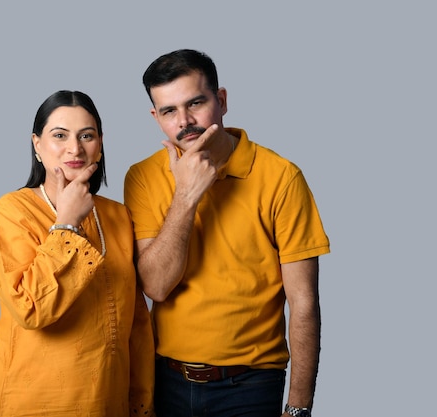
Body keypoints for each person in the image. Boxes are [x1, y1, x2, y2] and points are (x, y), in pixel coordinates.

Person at [123, 49, 330, 417]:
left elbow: (304, 303)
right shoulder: (142, 177)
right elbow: (155, 286)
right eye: (169, 111)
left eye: (196, 103)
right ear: (156, 118)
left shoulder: (281, 178)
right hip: (165, 380)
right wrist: (186, 194)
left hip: (251, 385)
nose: (185, 121)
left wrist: (299, 408)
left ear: (221, 100)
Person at [0, 90, 155, 417]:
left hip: (107, 402)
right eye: (59, 135)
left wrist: (142, 403)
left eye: (86, 135)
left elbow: (136, 325)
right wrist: (68, 223)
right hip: (31, 402)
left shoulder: (117, 216)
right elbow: (30, 308)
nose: (75, 149)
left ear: (100, 144)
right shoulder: (12, 211)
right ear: (37, 144)